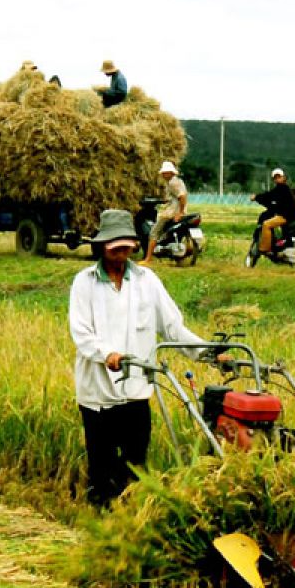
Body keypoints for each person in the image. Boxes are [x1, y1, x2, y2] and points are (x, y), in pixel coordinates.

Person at [68, 209, 211, 507]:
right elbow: (81, 333)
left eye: (127, 245)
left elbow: (172, 327)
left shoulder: (147, 280)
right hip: (98, 395)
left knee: (135, 465)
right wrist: (107, 354)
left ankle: (130, 520)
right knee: (102, 467)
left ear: (134, 244)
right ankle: (100, 524)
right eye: (115, 246)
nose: (122, 252)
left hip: (137, 389)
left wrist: (208, 353)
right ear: (102, 247)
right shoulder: (84, 282)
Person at [140, 160, 188, 265]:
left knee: (153, 233)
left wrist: (179, 213)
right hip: (176, 210)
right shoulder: (178, 181)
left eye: (166, 172)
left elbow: (182, 197)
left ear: (171, 173)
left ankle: (148, 259)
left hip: (171, 212)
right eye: (164, 172)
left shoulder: (172, 183)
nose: (164, 174)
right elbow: (177, 197)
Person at [251, 168, 295, 254]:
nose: (277, 179)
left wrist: (256, 197)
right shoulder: (289, 189)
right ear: (274, 179)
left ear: (283, 178)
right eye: (276, 177)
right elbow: (270, 196)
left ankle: (265, 249)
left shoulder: (281, 189)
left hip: (287, 216)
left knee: (266, 224)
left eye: (279, 177)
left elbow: (268, 196)